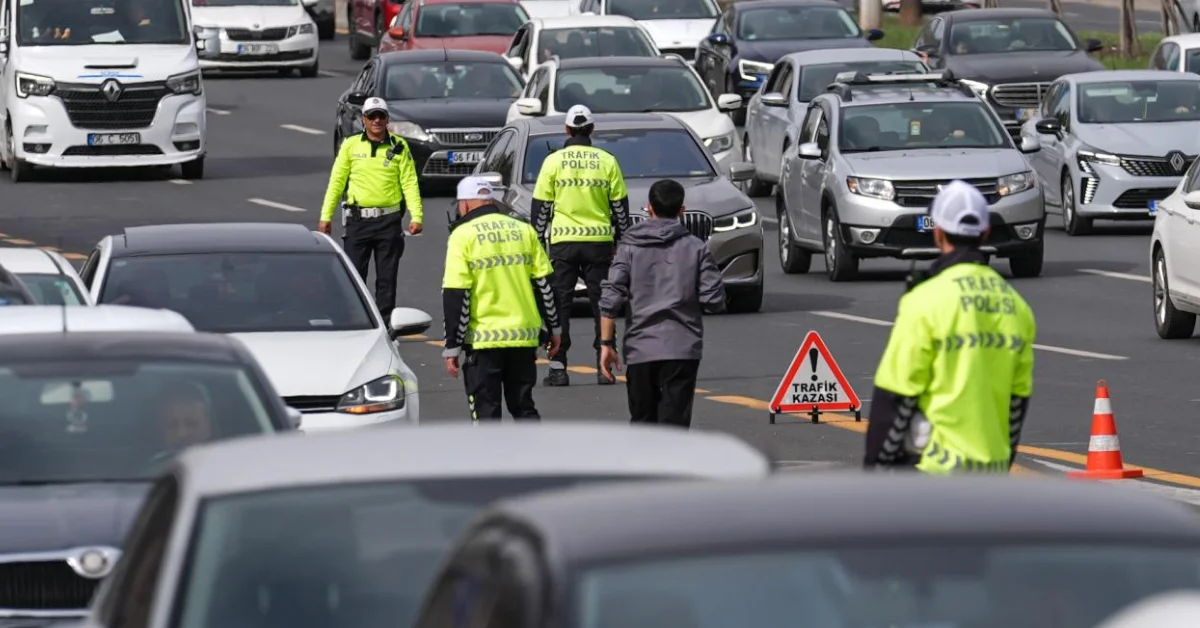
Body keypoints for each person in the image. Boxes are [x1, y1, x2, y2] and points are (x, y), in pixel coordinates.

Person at [864, 180, 1036, 473]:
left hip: (934, 477)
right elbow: (1016, 404)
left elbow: (896, 398)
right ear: (985, 232)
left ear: (938, 232)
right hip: (989, 478)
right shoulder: (1016, 306)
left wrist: (875, 478)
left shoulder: (925, 301)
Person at [597, 179, 725, 428]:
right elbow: (714, 299)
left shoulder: (630, 246)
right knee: (674, 425)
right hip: (682, 348)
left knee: (643, 422)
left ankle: (645, 467)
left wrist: (606, 344)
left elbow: (612, 296)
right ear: (682, 211)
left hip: (640, 348)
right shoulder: (696, 248)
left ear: (649, 208)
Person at [442, 176, 562, 421]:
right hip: (524, 339)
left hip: (484, 342)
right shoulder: (523, 229)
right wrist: (555, 329)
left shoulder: (462, 235)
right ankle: (533, 458)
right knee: (524, 408)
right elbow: (545, 286)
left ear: (464, 205)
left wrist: (452, 345)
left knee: (487, 415)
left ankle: (494, 460)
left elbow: (458, 293)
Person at [531, 104, 631, 387]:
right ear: (592, 129)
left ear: (566, 129)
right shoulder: (607, 160)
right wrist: (623, 243)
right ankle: (604, 365)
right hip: (598, 244)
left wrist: (538, 244)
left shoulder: (553, 162)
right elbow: (619, 210)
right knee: (602, 304)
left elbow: (541, 209)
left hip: (563, 243)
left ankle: (558, 367)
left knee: (560, 305)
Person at [319, 96, 423, 325]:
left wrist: (417, 216)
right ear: (363, 119)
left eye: (381, 116)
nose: (376, 121)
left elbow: (409, 182)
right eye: (371, 116)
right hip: (358, 222)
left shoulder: (398, 146)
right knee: (354, 277)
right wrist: (326, 216)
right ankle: (354, 322)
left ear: (387, 119)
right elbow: (337, 182)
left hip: (389, 221)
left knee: (387, 280)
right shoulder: (350, 145)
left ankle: (385, 327)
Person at [147, 381, 214, 462]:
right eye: (172, 425)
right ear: (160, 428)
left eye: (191, 424)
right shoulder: (143, 471)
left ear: (208, 427)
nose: (181, 434)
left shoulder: (227, 468)